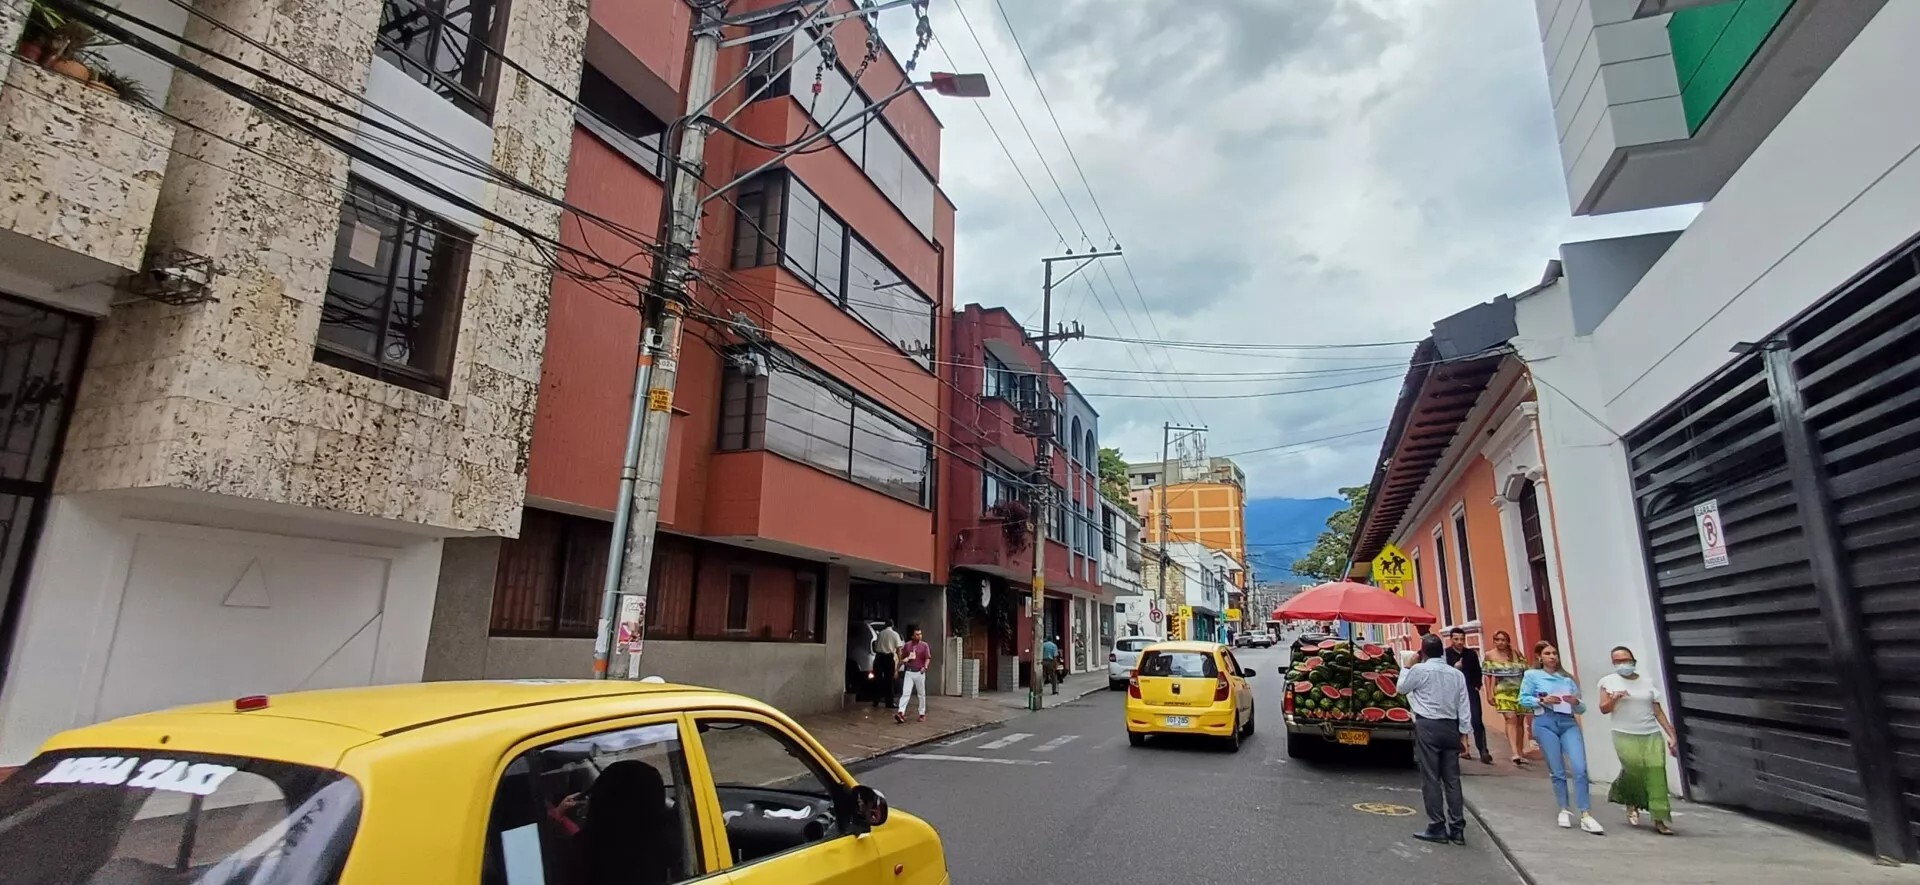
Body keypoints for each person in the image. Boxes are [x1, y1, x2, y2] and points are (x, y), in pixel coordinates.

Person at [1397, 633, 1474, 846]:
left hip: (1428, 726)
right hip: (1451, 727)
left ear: (1423, 652)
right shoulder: (1456, 674)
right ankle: (1457, 829)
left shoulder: (1420, 670)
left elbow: (1402, 688)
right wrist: (1464, 733)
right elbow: (1464, 704)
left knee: (1431, 777)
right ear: (1442, 652)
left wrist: (1407, 667)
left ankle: (1437, 826)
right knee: (1452, 779)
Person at [1520, 641, 1604, 834]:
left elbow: (1581, 708)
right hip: (1545, 721)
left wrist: (1575, 702)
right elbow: (1523, 699)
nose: (1552, 657)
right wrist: (1541, 700)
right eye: (1547, 653)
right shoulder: (1532, 675)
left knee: (1579, 767)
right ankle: (1564, 808)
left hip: (1568, 722)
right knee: (1557, 769)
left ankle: (1586, 813)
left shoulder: (1566, 679)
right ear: (1540, 657)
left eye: (1554, 653)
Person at [1600, 646, 1679, 835]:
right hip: (1624, 733)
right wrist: (1615, 698)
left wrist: (1671, 734)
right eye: (1618, 661)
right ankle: (1630, 799)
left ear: (1633, 661)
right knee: (1634, 769)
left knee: (1656, 772)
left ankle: (1659, 818)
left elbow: (1657, 710)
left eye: (1626, 660)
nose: (1623, 664)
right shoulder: (1608, 682)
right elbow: (1603, 708)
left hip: (1651, 733)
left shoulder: (1647, 682)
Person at [1483, 630, 1531, 766]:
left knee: (1520, 721)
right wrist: (1489, 693)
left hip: (1519, 690)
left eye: (1503, 640)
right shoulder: (1490, 655)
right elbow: (1487, 675)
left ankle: (1520, 751)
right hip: (1502, 691)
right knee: (1510, 718)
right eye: (1497, 640)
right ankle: (1514, 752)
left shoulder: (1516, 653)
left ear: (1507, 641)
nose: (1500, 642)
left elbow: (1526, 671)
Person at [1446, 628, 1493, 765]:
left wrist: (1477, 685)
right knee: (1456, 720)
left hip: (1470, 691)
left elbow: (1478, 671)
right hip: (1453, 692)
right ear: (1451, 639)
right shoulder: (1446, 654)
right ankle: (1463, 749)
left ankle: (1483, 750)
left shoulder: (1471, 654)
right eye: (1456, 639)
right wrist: (1455, 667)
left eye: (1462, 639)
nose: (1459, 642)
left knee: (1476, 720)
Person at [895, 626, 932, 723]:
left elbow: (927, 657)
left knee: (921, 694)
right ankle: (901, 712)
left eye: (920, 634)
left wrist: (925, 666)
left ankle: (922, 713)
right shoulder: (907, 645)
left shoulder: (924, 646)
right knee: (906, 693)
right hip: (909, 671)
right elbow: (901, 657)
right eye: (917, 634)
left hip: (919, 672)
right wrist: (900, 665)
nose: (919, 636)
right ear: (912, 636)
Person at [871, 621, 902, 709]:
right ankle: (889, 702)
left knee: (878, 679)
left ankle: (876, 700)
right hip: (888, 658)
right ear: (892, 625)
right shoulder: (895, 634)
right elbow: (898, 649)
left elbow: (876, 646)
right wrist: (899, 660)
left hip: (879, 657)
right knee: (889, 681)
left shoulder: (880, 633)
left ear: (885, 625)